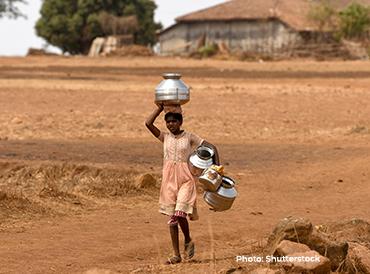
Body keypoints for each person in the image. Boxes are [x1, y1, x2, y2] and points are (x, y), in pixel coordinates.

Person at [145, 103, 219, 264]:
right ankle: (176, 255)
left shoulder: (190, 137)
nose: (171, 124)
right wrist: (159, 108)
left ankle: (187, 239)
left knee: (180, 213)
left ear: (180, 122)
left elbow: (212, 147)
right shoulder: (165, 137)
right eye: (168, 122)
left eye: (174, 121)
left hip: (186, 179)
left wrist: (216, 169)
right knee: (172, 219)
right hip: (169, 181)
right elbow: (148, 123)